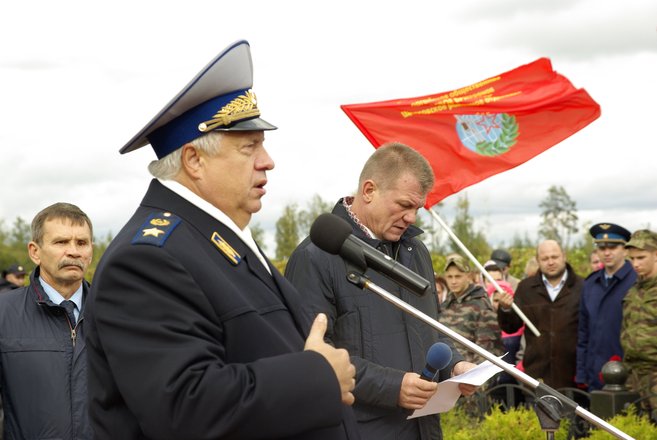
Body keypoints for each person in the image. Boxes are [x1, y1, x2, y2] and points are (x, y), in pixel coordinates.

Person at [85, 41, 358, 440]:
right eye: (250, 147)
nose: (267, 161)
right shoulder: (146, 259)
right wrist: (317, 377)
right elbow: (185, 407)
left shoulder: (216, 238)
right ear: (194, 160)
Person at [285, 143, 476, 440]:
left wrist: (454, 366)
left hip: (423, 429)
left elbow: (429, 331)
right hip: (358, 430)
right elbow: (312, 356)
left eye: (417, 208)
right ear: (369, 190)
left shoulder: (416, 252)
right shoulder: (316, 257)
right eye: (404, 205)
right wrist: (392, 387)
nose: (412, 218)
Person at [0, 202, 94, 439]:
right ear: (35, 252)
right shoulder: (4, 313)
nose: (73, 251)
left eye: (82, 242)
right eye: (61, 242)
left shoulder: (117, 313)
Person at [497, 240, 584, 389]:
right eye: (545, 258)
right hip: (537, 375)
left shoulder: (582, 286)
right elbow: (511, 327)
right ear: (538, 260)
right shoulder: (526, 288)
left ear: (564, 256)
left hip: (573, 376)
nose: (550, 262)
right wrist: (505, 309)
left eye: (554, 257)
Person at [576, 223, 636, 391]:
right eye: (602, 248)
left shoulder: (635, 281)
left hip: (628, 373)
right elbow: (583, 333)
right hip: (595, 372)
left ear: (625, 250)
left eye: (613, 247)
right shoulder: (590, 284)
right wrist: (581, 372)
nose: (607, 253)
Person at [621, 229, 657, 422]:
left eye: (641, 258)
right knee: (636, 428)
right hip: (633, 375)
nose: (635, 264)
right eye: (632, 259)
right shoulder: (633, 292)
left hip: (654, 373)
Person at [441, 255, 504, 364]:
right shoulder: (445, 304)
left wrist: (472, 372)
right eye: (449, 277)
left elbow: (487, 349)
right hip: (445, 366)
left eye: (458, 276)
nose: (453, 281)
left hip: (470, 369)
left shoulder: (481, 305)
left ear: (468, 276)